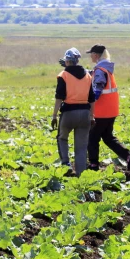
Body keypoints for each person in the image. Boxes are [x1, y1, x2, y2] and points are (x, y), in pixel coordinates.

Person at [86, 44, 130, 172]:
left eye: (91, 54)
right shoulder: (106, 68)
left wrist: (89, 102)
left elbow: (98, 87)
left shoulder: (100, 70)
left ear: (96, 55)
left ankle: (93, 165)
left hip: (101, 112)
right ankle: (129, 157)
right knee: (108, 137)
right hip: (111, 110)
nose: (90, 56)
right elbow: (92, 74)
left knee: (92, 138)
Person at [51, 48, 95, 177]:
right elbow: (92, 98)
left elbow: (59, 96)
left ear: (67, 61)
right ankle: (81, 175)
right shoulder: (88, 76)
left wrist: (54, 116)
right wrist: (92, 116)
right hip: (85, 114)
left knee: (62, 138)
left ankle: (66, 164)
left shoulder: (63, 75)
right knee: (81, 147)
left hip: (69, 113)